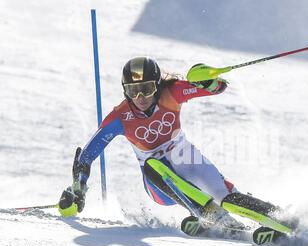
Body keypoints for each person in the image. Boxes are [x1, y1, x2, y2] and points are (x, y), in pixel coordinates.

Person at [58, 56, 288, 236]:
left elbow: (217, 87)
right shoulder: (120, 117)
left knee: (226, 196)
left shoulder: (172, 93)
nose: (140, 97)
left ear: (157, 86)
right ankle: (206, 212)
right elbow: (87, 154)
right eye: (132, 90)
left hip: (186, 158)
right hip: (160, 185)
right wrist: (78, 188)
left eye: (146, 89)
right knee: (152, 164)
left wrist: (209, 80)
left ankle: (281, 220)